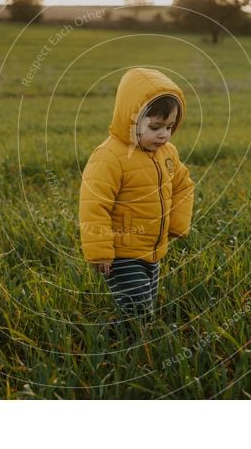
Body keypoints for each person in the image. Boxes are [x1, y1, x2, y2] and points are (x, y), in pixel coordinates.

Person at [79, 67, 195, 323]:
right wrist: (99, 251)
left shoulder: (167, 153)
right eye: (155, 127)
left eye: (169, 126)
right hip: (121, 252)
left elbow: (183, 185)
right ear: (131, 120)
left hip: (153, 251)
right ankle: (128, 349)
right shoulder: (109, 157)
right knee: (137, 309)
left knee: (144, 305)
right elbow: (94, 205)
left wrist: (176, 224)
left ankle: (127, 339)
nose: (164, 134)